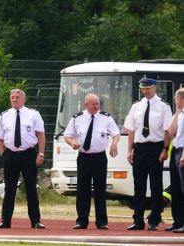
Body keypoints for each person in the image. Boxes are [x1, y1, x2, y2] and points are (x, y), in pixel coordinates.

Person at [63, 94, 120, 229]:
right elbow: (67, 135)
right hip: (84, 157)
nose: (96, 106)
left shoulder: (106, 117)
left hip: (99, 157)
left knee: (100, 190)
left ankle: (102, 222)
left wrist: (114, 144)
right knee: (83, 189)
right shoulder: (77, 118)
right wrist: (73, 143)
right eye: (93, 104)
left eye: (98, 104)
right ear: (86, 105)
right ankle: (82, 220)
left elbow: (116, 134)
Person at [0, 89, 46, 229]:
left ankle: (35, 221)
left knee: (31, 188)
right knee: (9, 189)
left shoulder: (33, 114)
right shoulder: (4, 115)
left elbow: (41, 135)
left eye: (17, 97)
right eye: (12, 97)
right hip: (10, 154)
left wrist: (40, 153)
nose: (14, 99)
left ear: (24, 100)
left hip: (28, 154)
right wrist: (3, 155)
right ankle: (5, 221)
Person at [124, 77, 172, 231]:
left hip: (156, 147)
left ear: (155, 88)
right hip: (140, 147)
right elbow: (131, 130)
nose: (145, 91)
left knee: (156, 185)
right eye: (143, 88)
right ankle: (137, 220)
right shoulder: (136, 106)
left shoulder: (164, 107)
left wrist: (165, 149)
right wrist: (129, 150)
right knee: (139, 185)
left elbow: (168, 131)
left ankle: (154, 219)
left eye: (148, 88)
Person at [165, 88, 184, 233]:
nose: (175, 101)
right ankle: (178, 221)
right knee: (176, 190)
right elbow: (171, 131)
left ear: (181, 99)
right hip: (175, 151)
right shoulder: (180, 114)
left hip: (182, 151)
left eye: (176, 98)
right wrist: (177, 112)